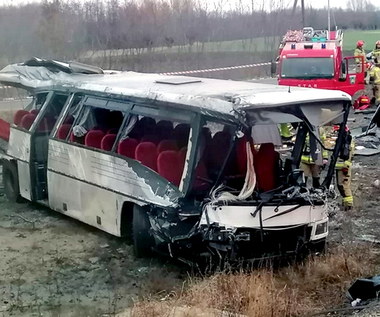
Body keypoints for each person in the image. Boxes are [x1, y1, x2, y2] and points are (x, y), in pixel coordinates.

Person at [334, 127, 354, 210]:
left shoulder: (346, 141)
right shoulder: (345, 140)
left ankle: (348, 206)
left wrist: (345, 167)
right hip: (341, 167)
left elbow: (348, 155)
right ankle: (345, 204)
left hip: (343, 167)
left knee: (344, 186)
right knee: (340, 186)